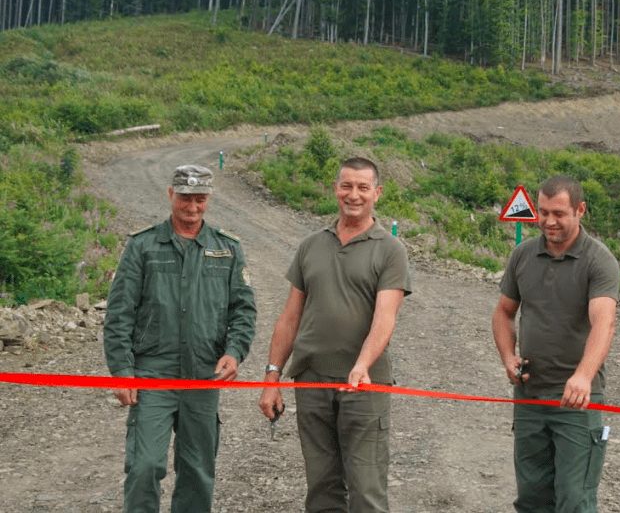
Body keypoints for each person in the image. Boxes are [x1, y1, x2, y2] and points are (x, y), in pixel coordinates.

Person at [258, 156, 411, 513]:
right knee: (322, 488)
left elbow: (385, 318)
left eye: (362, 187)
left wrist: (362, 365)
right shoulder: (311, 245)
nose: (353, 194)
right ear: (335, 189)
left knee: (366, 490)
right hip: (311, 382)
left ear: (377, 193)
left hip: (364, 385)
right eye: (346, 186)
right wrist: (272, 377)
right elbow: (289, 317)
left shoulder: (390, 250)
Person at [103, 164, 256, 513]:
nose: (192, 207)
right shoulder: (142, 246)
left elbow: (243, 310)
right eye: (185, 198)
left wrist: (235, 352)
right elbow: (119, 313)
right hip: (152, 376)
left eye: (200, 199)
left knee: (198, 471)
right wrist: (122, 370)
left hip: (203, 377)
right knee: (145, 466)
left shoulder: (227, 248)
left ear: (209, 199)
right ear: (171, 194)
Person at [492, 175, 620, 513]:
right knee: (532, 498)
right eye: (543, 211)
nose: (549, 221)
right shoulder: (522, 255)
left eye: (559, 213)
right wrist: (508, 357)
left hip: (577, 402)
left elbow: (604, 322)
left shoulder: (598, 260)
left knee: (574, 500)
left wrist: (583, 376)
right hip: (530, 397)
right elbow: (504, 313)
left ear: (580, 210)